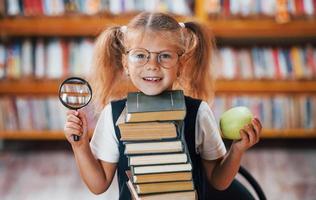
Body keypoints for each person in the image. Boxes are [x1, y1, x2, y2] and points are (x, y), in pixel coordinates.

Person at [64, 12, 262, 200]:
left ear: (181, 64)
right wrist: (80, 145)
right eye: (140, 55)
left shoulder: (198, 113)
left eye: (164, 55)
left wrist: (237, 150)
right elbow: (98, 185)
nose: (152, 65)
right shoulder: (112, 114)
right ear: (125, 63)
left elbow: (219, 182)